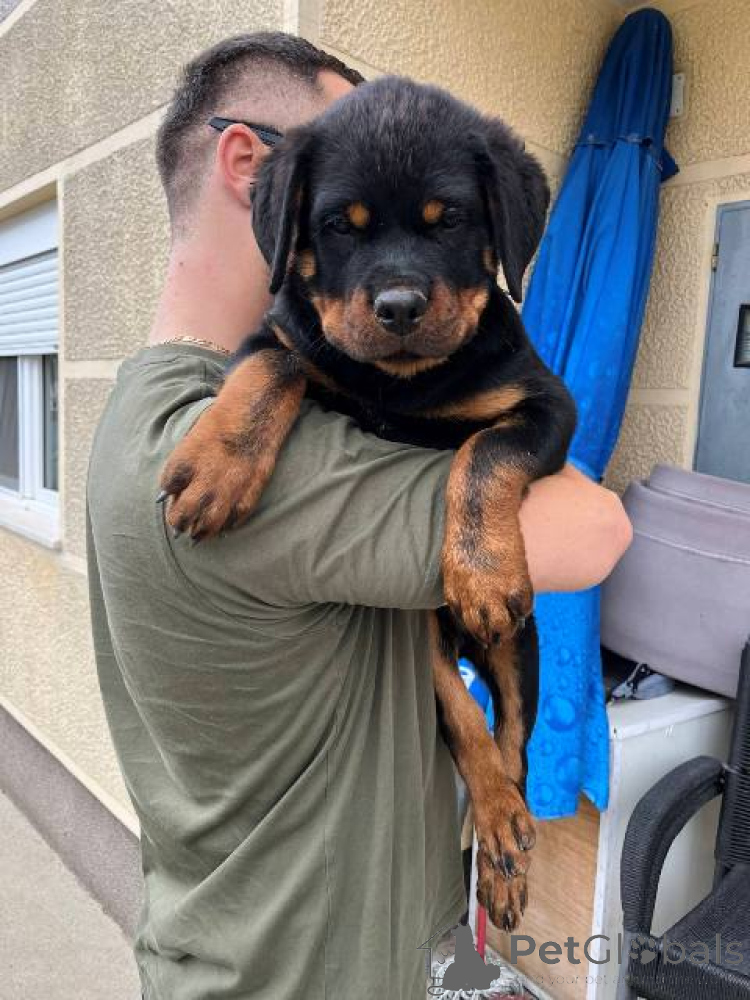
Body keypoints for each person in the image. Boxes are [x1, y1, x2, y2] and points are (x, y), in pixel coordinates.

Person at [86, 32, 633, 1000]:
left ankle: (504, 768)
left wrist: (480, 482)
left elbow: (538, 416)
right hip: (302, 970)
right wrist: (259, 403)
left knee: (506, 648)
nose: (398, 286)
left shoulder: (143, 404)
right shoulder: (200, 433)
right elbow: (596, 529)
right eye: (346, 225)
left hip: (295, 938)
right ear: (262, 179)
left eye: (444, 227)